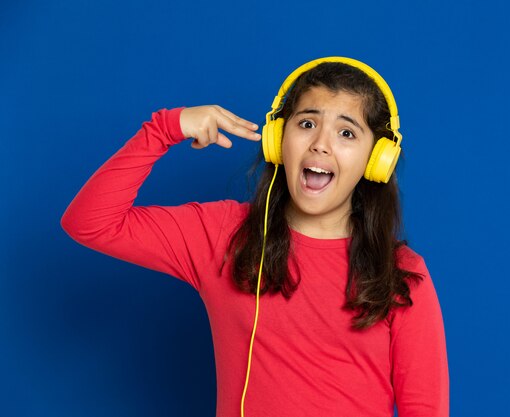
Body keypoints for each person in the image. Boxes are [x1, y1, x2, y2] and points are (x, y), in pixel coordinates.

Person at [61, 57, 449, 417]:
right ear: (278, 138)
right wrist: (165, 129)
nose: (320, 144)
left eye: (347, 132)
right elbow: (90, 223)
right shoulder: (222, 235)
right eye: (307, 123)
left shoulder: (400, 273)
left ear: (376, 160)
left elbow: (426, 409)